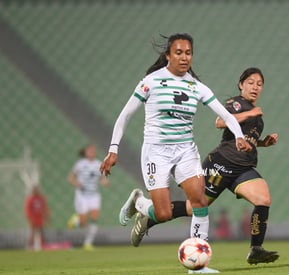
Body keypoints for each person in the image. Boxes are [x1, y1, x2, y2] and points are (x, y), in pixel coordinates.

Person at [99, 33, 250, 274]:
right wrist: (112, 150)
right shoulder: (152, 81)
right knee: (163, 213)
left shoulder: (196, 86)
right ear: (168, 55)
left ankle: (198, 267)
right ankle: (139, 203)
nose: (184, 57)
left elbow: (226, 114)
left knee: (200, 202)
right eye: (178, 53)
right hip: (156, 153)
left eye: (188, 53)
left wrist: (239, 136)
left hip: (186, 151)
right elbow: (125, 115)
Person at [120, 67, 279, 265]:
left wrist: (263, 143)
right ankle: (146, 212)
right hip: (221, 165)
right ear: (241, 85)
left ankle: (256, 249)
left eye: (259, 84)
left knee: (263, 199)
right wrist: (249, 114)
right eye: (251, 82)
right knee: (192, 208)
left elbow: (244, 139)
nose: (255, 86)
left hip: (242, 168)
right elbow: (220, 122)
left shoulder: (257, 117)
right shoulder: (237, 103)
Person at [67, 144, 109, 250]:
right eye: (89, 150)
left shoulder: (99, 164)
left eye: (93, 150)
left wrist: (105, 182)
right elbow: (71, 177)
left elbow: (102, 178)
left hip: (94, 195)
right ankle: (76, 220)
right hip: (82, 195)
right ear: (85, 152)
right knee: (83, 222)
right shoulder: (80, 164)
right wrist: (76, 183)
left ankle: (88, 243)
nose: (91, 152)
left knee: (94, 217)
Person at [24, 184, 50, 250]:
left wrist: (47, 215)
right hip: (33, 218)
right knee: (32, 232)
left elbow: (45, 207)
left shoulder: (41, 198)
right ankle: (29, 245)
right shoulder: (30, 199)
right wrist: (30, 218)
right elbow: (27, 210)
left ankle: (42, 245)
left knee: (41, 232)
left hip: (40, 218)